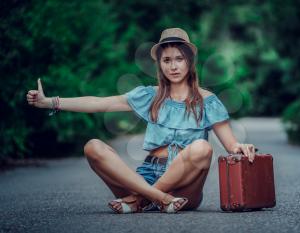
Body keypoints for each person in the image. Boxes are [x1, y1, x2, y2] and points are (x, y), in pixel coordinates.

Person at [26, 27, 256, 214]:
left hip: (186, 186)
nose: (173, 66)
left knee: (203, 148)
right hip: (146, 174)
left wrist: (240, 147)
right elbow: (101, 103)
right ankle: (158, 197)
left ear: (189, 62)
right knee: (93, 147)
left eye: (179, 59)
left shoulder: (208, 100)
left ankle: (139, 200)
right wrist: (51, 102)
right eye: (167, 60)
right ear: (160, 64)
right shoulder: (150, 96)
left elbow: (230, 144)